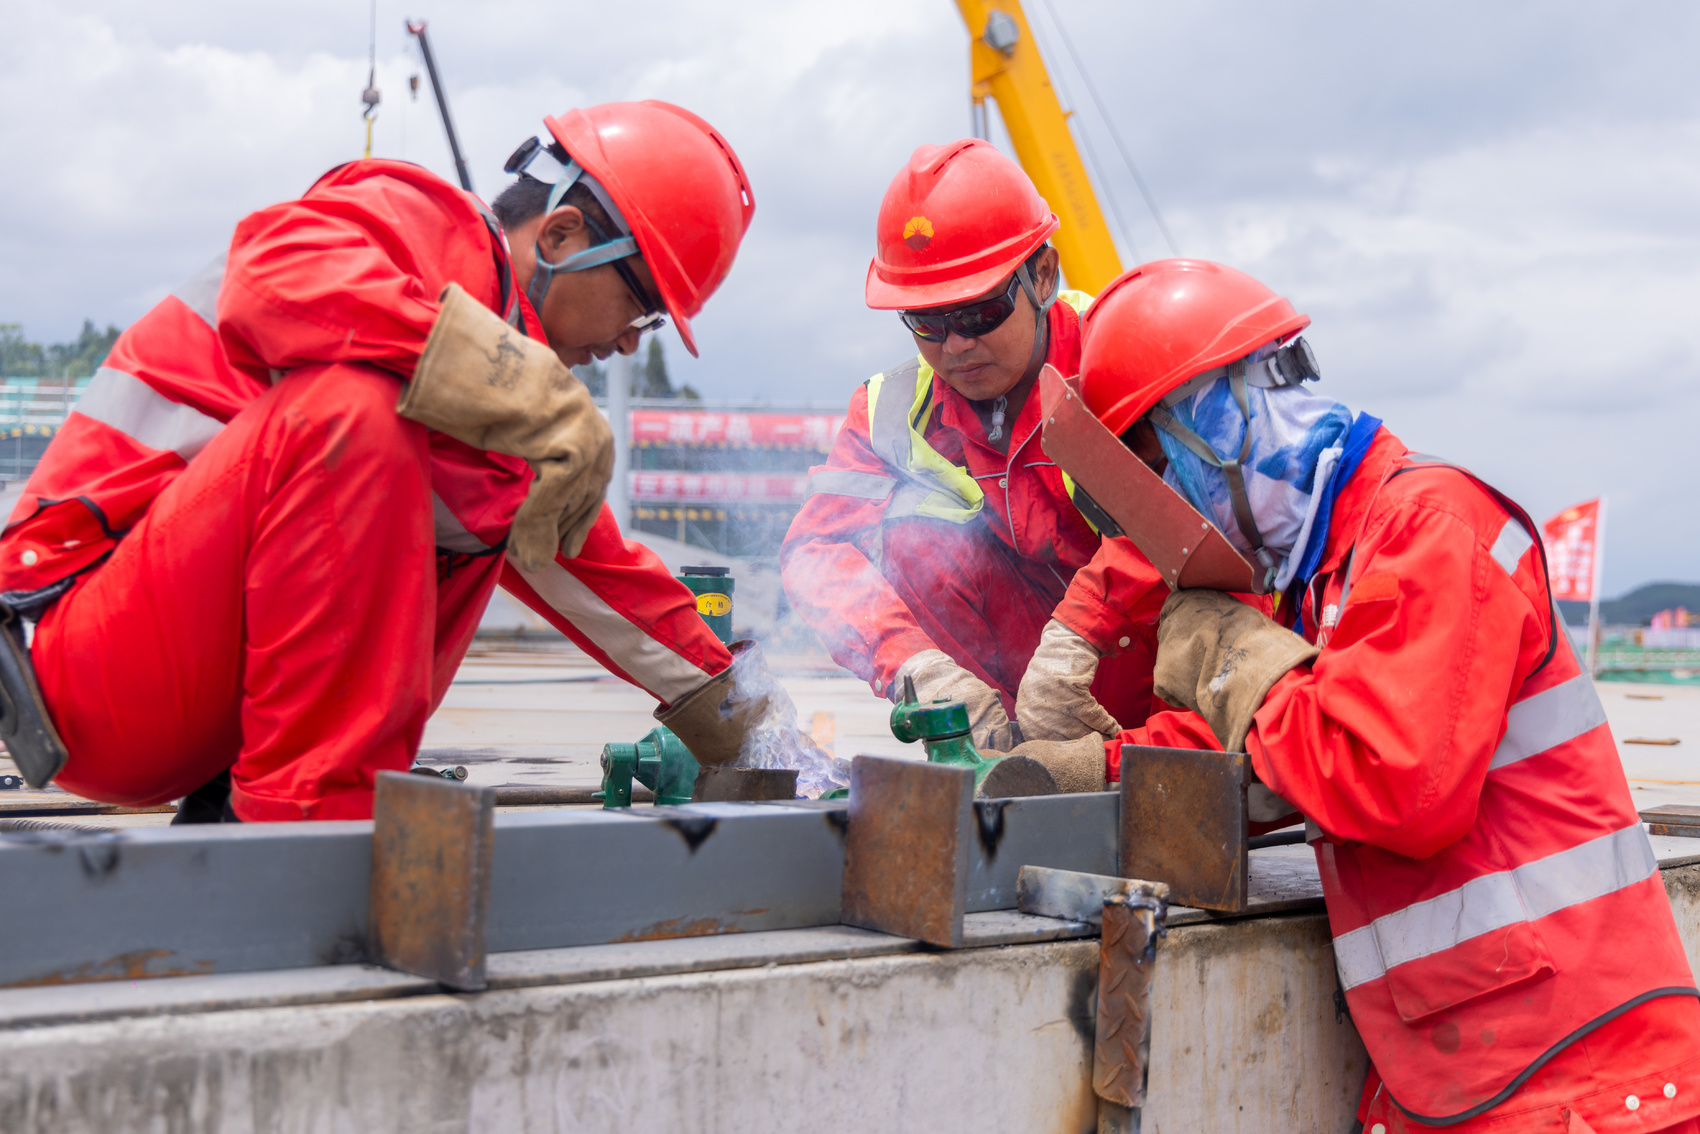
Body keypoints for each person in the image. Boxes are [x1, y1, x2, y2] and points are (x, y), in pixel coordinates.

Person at [0, 101, 811, 821]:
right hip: (82, 655)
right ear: (563, 235)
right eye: (643, 302)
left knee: (481, 477)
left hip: (179, 709)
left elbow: (595, 565)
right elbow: (272, 279)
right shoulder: (424, 222)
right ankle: (313, 828)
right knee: (353, 410)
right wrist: (519, 381)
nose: (634, 339)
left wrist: (758, 727)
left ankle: (286, 809)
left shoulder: (502, 411)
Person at [1068, 257, 1700, 1132]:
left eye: (1160, 475)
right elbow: (1285, 744)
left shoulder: (1428, 529)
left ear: (1227, 416)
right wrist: (1094, 765)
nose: (1170, 515)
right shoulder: (1325, 579)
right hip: (1471, 1076)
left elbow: (1395, 782)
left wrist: (1237, 661)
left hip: (1577, 1078)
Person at [780, 139, 1167, 793]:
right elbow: (815, 554)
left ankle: (1132, 757)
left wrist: (1076, 638)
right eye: (928, 321)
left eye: (981, 312)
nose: (956, 344)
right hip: (1014, 690)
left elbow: (1195, 531)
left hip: (1139, 668)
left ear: (1042, 276)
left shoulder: (1122, 359)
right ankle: (1005, 764)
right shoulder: (893, 410)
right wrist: (914, 665)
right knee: (914, 540)